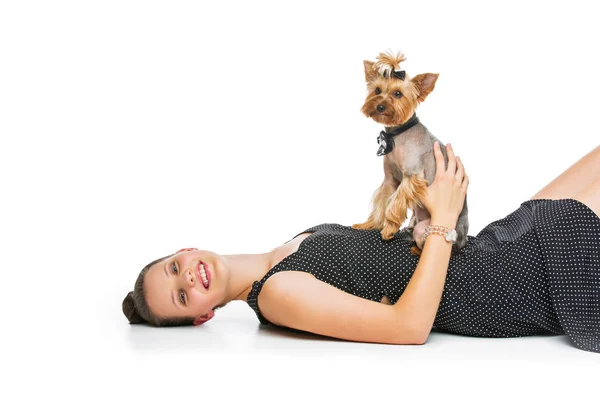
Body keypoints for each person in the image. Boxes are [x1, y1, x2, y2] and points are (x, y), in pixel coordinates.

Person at [122, 143, 600, 353]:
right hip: (517, 280)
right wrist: (446, 221)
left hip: (497, 244)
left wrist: (418, 198)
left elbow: (384, 256)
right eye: (183, 297)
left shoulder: (289, 246)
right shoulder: (274, 293)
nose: (186, 278)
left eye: (172, 269)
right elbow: (408, 326)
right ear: (203, 316)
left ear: (184, 249)